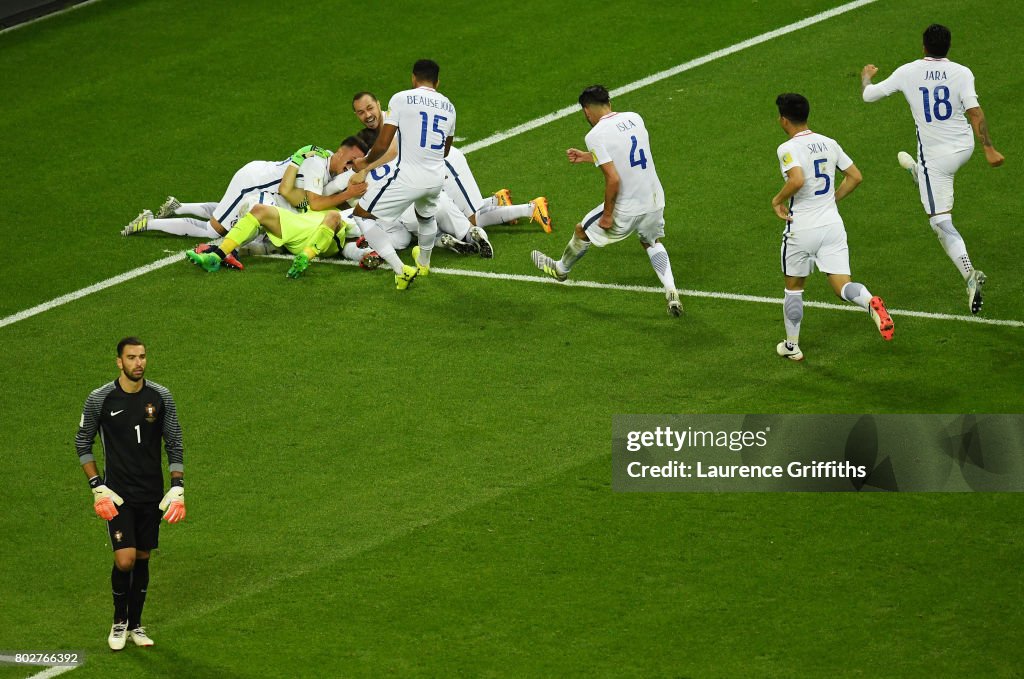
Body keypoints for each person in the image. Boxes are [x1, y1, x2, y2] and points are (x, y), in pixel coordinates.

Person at [861, 23, 1005, 314]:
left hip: (935, 161)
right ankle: (918, 174)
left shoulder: (908, 71)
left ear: (923, 46)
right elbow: (974, 112)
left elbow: (869, 95)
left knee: (939, 220)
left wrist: (866, 78)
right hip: (964, 148)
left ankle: (969, 275)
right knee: (928, 174)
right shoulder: (962, 72)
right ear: (948, 46)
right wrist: (988, 148)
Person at [75, 337, 186, 651]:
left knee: (142, 557)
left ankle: (136, 624)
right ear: (119, 362)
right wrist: (97, 486)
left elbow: (174, 442)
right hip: (118, 495)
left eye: (142, 357)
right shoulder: (101, 399)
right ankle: (119, 620)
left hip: (151, 494)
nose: (139, 363)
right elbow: (83, 443)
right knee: (125, 561)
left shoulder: (160, 396)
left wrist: (177, 485)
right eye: (132, 357)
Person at [531, 85, 682, 316]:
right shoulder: (635, 118)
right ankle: (671, 291)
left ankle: (560, 269)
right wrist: (587, 156)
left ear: (586, 111)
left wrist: (609, 214)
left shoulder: (595, 134)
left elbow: (613, 179)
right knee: (651, 242)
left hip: (626, 206)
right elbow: (625, 153)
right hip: (653, 198)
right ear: (608, 102)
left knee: (582, 230)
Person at [770, 93, 894, 361]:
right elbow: (855, 176)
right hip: (832, 225)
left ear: (783, 119)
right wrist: (832, 198)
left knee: (794, 287)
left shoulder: (787, 148)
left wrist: (777, 199)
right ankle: (869, 301)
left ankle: (792, 346)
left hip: (801, 227)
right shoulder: (829, 143)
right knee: (842, 287)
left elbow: (797, 179)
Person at [353, 91, 552, 232]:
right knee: (460, 216)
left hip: (446, 164)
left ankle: (531, 208)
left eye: (370, 108)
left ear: (379, 104)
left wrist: (366, 166)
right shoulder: (380, 130)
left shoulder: (393, 117)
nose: (367, 115)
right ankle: (495, 200)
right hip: (432, 169)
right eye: (361, 112)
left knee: (472, 222)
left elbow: (395, 149)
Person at [351, 60, 457, 290]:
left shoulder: (401, 98)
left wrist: (364, 162)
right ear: (437, 81)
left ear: (413, 78)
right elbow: (445, 150)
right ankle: (424, 264)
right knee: (426, 218)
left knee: (362, 215)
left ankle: (400, 270)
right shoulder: (449, 107)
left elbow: (382, 144)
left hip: (408, 177)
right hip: (436, 177)